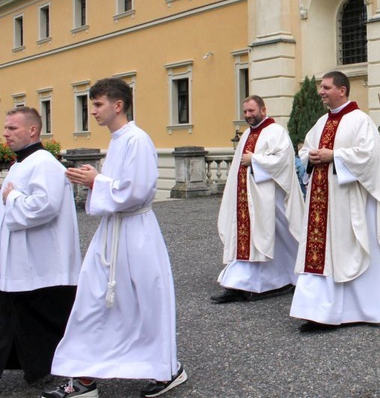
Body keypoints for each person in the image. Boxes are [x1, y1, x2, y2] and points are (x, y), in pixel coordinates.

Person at [45, 78, 186, 398]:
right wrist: (97, 181)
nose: (92, 111)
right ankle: (83, 377)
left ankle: (165, 369)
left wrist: (97, 181)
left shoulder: (137, 140)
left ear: (117, 105)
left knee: (145, 303)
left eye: (97, 104)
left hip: (135, 234)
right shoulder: (120, 140)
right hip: (112, 234)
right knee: (92, 301)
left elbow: (138, 191)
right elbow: (120, 185)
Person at [290, 71, 380, 331]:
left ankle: (355, 308)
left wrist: (335, 156)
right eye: (321, 88)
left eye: (326, 87)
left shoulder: (360, 121)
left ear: (342, 90)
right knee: (322, 254)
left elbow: (370, 158)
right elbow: (305, 149)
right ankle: (318, 310)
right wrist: (311, 157)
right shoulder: (320, 123)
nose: (321, 92)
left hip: (349, 203)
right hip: (322, 204)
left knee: (348, 251)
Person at [0, 107, 81, 385]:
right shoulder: (21, 164)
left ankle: (76, 373)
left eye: (12, 128)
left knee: (49, 322)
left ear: (33, 130)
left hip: (45, 266)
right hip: (24, 265)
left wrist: (12, 199)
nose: (5, 133)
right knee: (15, 320)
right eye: (6, 128)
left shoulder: (44, 162)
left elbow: (42, 207)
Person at [212, 96, 304, 304]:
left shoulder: (276, 132)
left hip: (269, 197)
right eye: (245, 112)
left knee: (279, 236)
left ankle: (288, 275)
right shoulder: (245, 135)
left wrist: (255, 160)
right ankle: (243, 283)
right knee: (253, 237)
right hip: (247, 197)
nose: (248, 115)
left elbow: (283, 161)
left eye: (251, 111)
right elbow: (238, 165)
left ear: (263, 109)